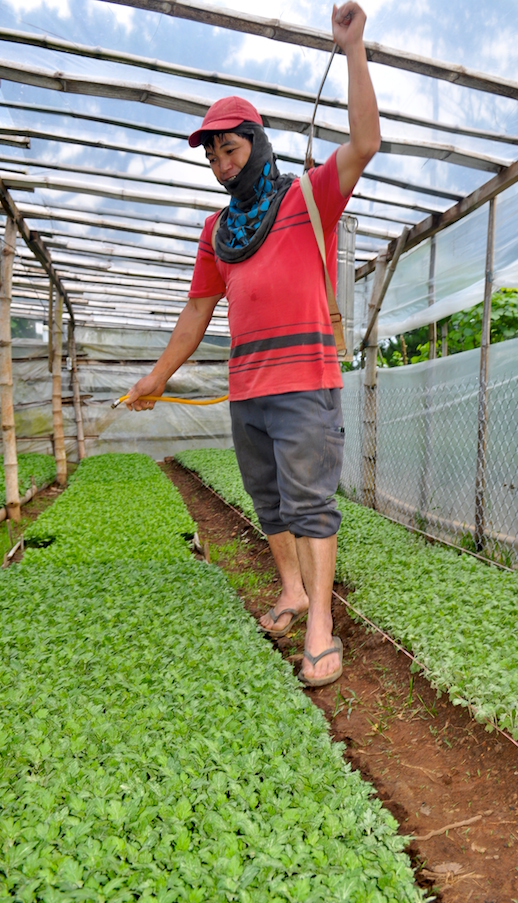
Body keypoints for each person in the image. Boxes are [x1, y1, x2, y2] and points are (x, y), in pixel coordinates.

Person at [126, 1, 380, 687]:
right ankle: (292, 591)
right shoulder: (217, 233)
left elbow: (365, 141)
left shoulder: (309, 196)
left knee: (310, 505)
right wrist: (156, 377)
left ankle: (321, 623)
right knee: (268, 501)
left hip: (305, 382)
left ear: (257, 143)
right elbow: (196, 314)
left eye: (229, 151)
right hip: (249, 391)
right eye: (211, 157)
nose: (220, 166)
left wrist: (354, 48)